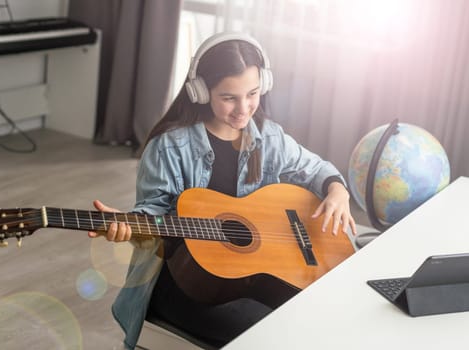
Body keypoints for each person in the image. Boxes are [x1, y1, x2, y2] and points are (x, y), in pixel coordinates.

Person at [89, 32, 357, 350]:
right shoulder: (170, 146)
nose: (243, 109)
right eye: (229, 97)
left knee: (327, 311)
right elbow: (155, 214)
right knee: (275, 334)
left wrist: (338, 190)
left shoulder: (269, 137)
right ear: (200, 92)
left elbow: (316, 169)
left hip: (252, 274)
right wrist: (130, 227)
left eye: (253, 94)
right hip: (185, 282)